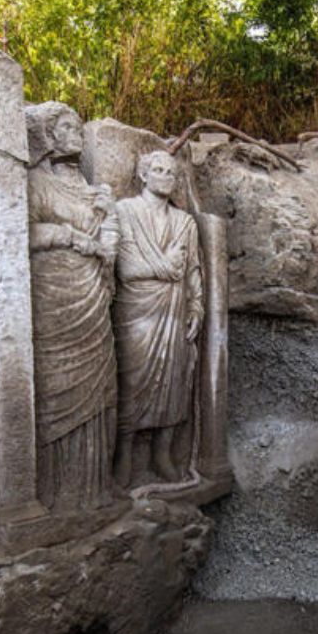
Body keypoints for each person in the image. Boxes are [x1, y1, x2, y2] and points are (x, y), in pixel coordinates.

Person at [25, 102, 120, 512]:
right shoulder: (35, 184)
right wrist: (68, 235)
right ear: (47, 135)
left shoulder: (92, 190)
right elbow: (23, 231)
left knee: (98, 387)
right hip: (55, 295)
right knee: (58, 386)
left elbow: (111, 243)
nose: (76, 133)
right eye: (66, 126)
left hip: (94, 296)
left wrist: (108, 217)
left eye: (79, 126)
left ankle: (93, 489)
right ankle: (56, 492)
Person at [112, 150, 204, 487]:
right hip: (136, 312)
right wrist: (166, 268)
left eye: (171, 172)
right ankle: (123, 454)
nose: (165, 176)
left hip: (175, 311)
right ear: (143, 175)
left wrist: (196, 308)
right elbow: (128, 269)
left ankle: (162, 454)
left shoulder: (185, 223)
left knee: (174, 380)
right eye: (158, 169)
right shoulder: (124, 211)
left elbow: (192, 270)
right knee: (131, 380)